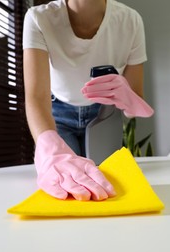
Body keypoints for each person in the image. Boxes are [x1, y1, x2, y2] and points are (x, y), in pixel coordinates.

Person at [23, 0, 153, 201]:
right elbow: (36, 97)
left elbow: (135, 104)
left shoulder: (130, 21)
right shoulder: (39, 18)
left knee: (109, 187)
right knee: (68, 189)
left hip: (104, 115)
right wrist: (49, 146)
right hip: (57, 116)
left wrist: (127, 97)